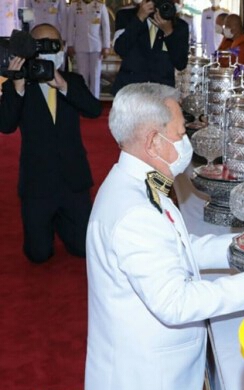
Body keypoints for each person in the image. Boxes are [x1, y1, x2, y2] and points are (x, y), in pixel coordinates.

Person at [83, 83, 244, 390]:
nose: (185, 140)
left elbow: (179, 247)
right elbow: (176, 302)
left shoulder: (137, 183)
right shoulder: (133, 211)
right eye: (179, 133)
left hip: (151, 378)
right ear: (152, 141)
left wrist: (243, 246)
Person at [0, 23, 102, 263]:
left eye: (53, 45)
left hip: (73, 180)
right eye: (41, 46)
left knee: (82, 249)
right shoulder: (17, 84)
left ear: (63, 49)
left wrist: (64, 86)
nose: (48, 52)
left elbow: (94, 110)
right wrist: (18, 88)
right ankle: (48, 224)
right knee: (38, 255)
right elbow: (6, 126)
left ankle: (62, 222)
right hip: (37, 182)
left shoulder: (72, 80)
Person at [111, 0, 189, 95]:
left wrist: (168, 32)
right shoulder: (126, 16)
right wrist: (139, 18)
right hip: (129, 90)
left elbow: (180, 63)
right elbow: (120, 49)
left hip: (162, 92)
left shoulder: (179, 26)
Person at [66, 0, 110, 99]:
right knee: (82, 76)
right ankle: (84, 100)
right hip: (80, 45)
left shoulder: (100, 6)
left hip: (96, 46)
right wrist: (70, 44)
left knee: (95, 76)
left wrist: (106, 46)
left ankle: (94, 100)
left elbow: (105, 27)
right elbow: (70, 27)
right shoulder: (74, 6)